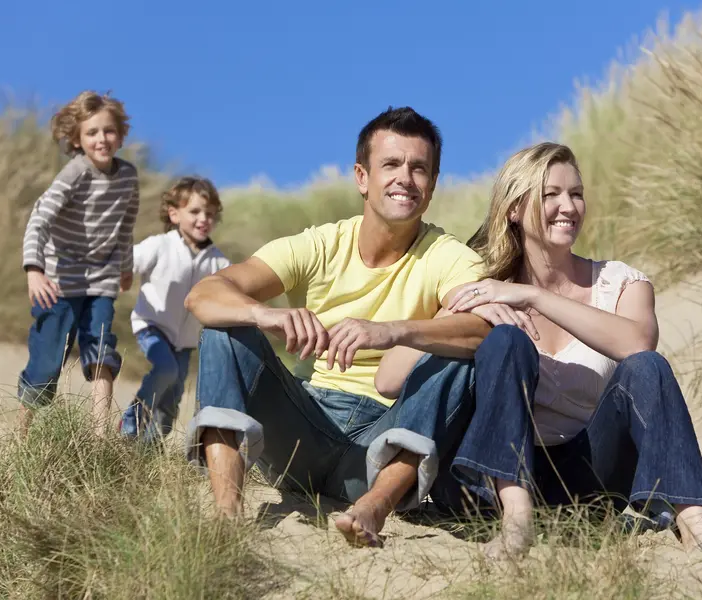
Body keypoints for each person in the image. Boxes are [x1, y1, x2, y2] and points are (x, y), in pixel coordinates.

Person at [376, 142, 702, 560]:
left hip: (587, 483)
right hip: (482, 489)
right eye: (550, 194)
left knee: (648, 367)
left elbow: (639, 344)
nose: (568, 206)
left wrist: (533, 296)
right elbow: (388, 381)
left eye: (576, 193)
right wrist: (459, 309)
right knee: (506, 339)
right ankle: (516, 520)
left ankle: (696, 522)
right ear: (514, 209)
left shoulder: (621, 283)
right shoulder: (483, 286)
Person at [182, 106, 529, 548]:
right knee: (225, 332)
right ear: (362, 177)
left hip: (381, 443)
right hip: (300, 432)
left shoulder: (448, 256)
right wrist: (264, 314)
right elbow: (204, 296)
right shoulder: (321, 244)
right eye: (391, 164)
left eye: (419, 168)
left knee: (459, 360)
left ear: (433, 184)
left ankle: (373, 509)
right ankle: (227, 516)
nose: (405, 177)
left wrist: (393, 332)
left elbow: (484, 329)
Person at [18, 90, 139, 437]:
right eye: (92, 132)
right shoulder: (75, 174)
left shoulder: (128, 177)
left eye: (109, 130)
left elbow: (126, 224)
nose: (102, 139)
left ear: (121, 133)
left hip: (101, 280)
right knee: (46, 365)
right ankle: (22, 435)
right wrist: (34, 270)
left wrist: (125, 266)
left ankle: (99, 436)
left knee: (101, 351)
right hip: (58, 280)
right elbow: (39, 220)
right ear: (76, 139)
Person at [119, 176, 231, 442]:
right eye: (194, 211)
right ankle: (130, 424)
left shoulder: (218, 261)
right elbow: (126, 262)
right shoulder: (160, 245)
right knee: (165, 370)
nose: (204, 218)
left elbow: (233, 291)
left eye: (210, 214)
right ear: (174, 213)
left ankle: (148, 452)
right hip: (152, 325)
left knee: (171, 403)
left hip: (186, 341)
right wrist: (116, 272)